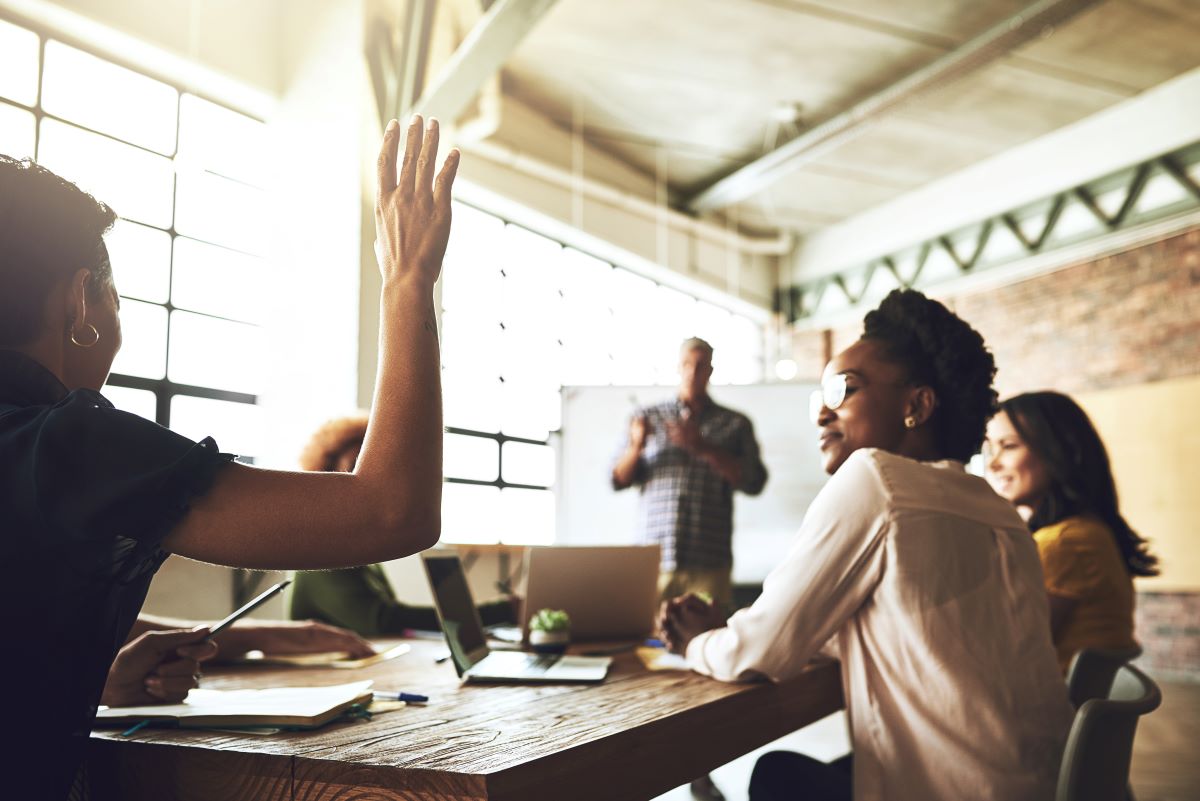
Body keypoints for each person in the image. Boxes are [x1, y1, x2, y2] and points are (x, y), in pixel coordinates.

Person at [0, 114, 458, 800]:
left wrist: (97, 668)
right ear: (81, 302)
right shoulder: (65, 441)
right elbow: (395, 510)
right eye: (115, 293)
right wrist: (407, 281)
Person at [659, 290, 1073, 801]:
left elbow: (763, 653)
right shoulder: (998, 510)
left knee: (775, 776)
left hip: (951, 787)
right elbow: (923, 626)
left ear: (916, 405)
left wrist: (697, 640)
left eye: (843, 390)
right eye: (820, 398)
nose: (821, 414)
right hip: (1033, 782)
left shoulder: (876, 478)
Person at [287, 415, 517, 634]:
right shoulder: (319, 551)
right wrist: (501, 612)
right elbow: (382, 621)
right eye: (353, 467)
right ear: (325, 475)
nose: (364, 481)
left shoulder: (354, 550)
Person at [984, 391, 1158, 673]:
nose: (993, 463)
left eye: (1009, 446)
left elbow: (1010, 648)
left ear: (1059, 451)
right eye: (991, 449)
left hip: (1053, 709)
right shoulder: (1086, 530)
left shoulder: (1065, 542)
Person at [612, 337, 767, 610]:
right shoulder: (647, 417)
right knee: (645, 642)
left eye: (701, 366)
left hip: (709, 561)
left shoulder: (735, 423)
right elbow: (617, 480)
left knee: (708, 642)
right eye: (687, 364)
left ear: (710, 371)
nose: (693, 372)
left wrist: (703, 447)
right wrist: (636, 446)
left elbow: (754, 482)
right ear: (677, 367)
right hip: (654, 559)